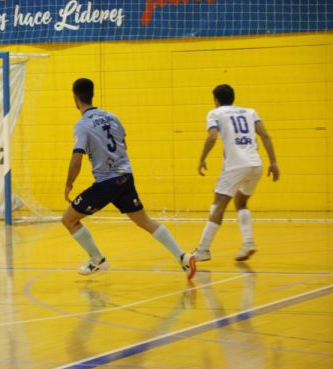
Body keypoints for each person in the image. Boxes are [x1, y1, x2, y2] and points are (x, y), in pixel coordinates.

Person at [62, 78, 196, 280]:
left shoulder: (82, 125)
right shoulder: (112, 116)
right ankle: (183, 257)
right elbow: (123, 143)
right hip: (125, 176)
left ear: (75, 98)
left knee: (69, 219)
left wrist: (69, 183)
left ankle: (98, 260)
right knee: (145, 221)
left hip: (106, 183)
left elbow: (76, 159)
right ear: (92, 94)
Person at [193, 84, 279, 262]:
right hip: (256, 164)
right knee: (240, 201)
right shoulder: (250, 112)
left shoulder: (215, 113)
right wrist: (273, 162)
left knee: (218, 205)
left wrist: (202, 158)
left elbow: (212, 136)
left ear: (216, 100)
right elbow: (266, 136)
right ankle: (248, 243)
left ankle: (202, 250)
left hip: (235, 166)